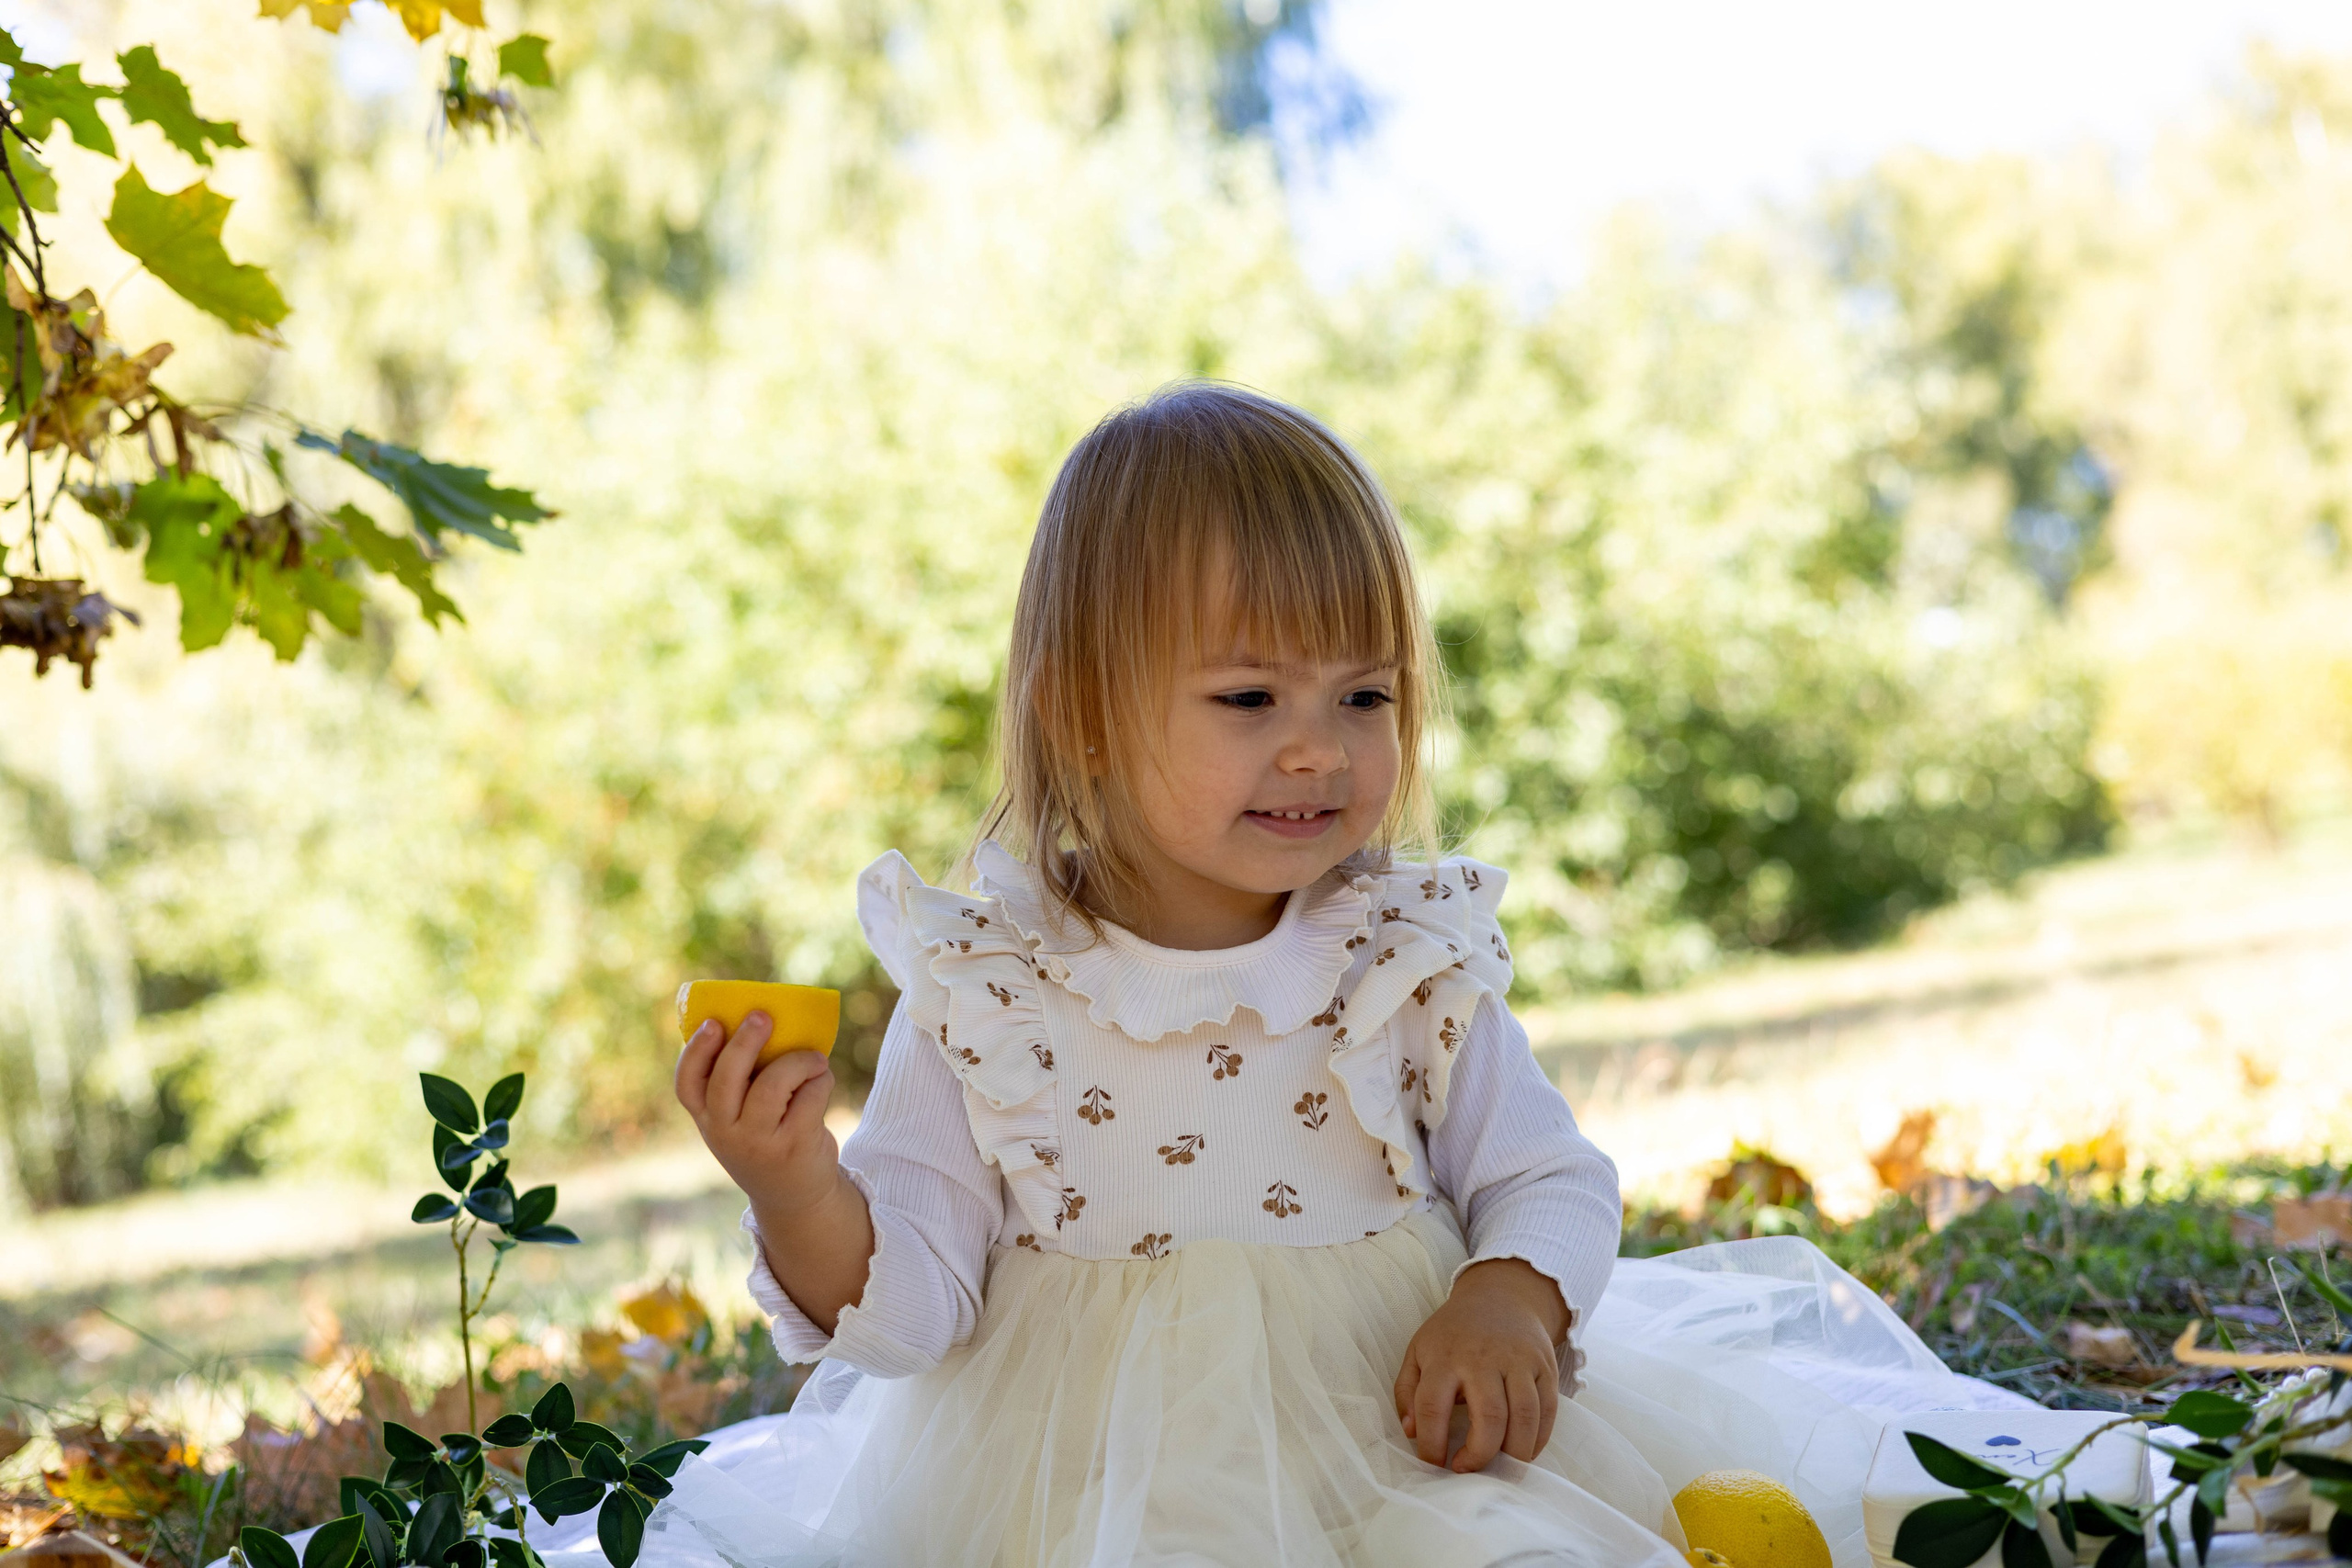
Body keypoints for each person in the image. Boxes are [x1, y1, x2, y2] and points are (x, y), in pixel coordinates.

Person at [652, 384, 2023, 1568]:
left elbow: (1549, 1179)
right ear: (1081, 714)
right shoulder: (989, 989)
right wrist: (793, 1185)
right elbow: (908, 1314)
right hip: (1094, 1492)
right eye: (1251, 699)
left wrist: (1507, 1297)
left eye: (1364, 696)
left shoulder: (1398, 959)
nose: (1320, 747)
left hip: (1401, 1447)